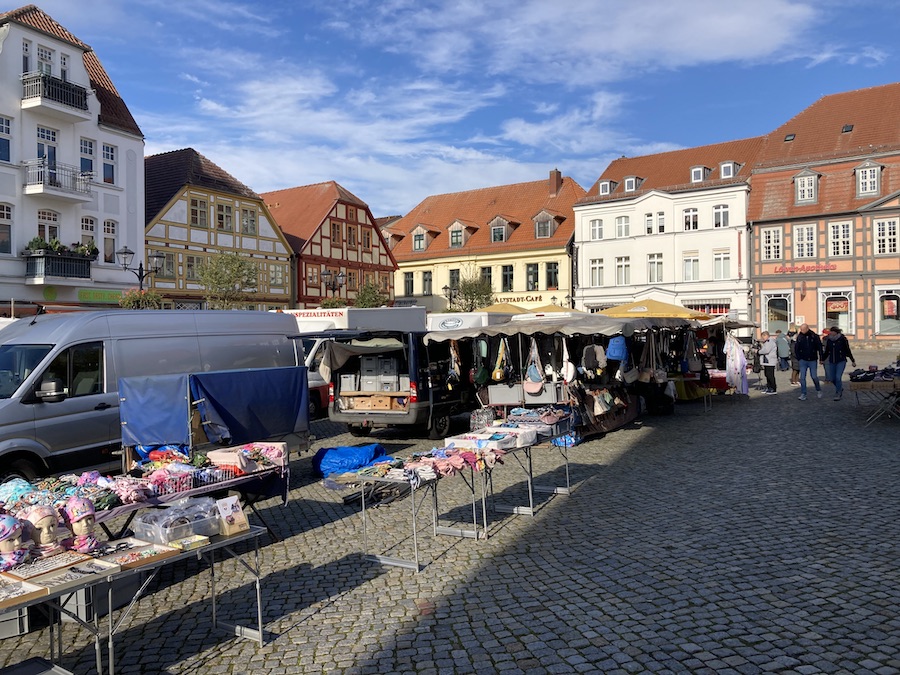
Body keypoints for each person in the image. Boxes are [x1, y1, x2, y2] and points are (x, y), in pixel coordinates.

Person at [822, 326, 856, 401]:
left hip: (841, 361)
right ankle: (839, 387)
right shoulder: (829, 340)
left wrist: (852, 360)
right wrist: (822, 359)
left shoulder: (842, 339)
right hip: (832, 361)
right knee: (832, 378)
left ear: (836, 332)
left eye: (832, 331)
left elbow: (847, 350)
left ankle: (838, 392)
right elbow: (827, 351)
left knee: (838, 377)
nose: (830, 333)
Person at [794, 323, 824, 400]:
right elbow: (796, 348)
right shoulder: (800, 337)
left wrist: (821, 358)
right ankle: (803, 393)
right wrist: (799, 357)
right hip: (803, 360)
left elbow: (819, 347)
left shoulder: (814, 336)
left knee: (814, 376)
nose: (801, 331)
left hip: (812, 359)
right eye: (801, 329)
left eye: (803, 329)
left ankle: (818, 389)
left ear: (807, 328)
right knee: (802, 377)